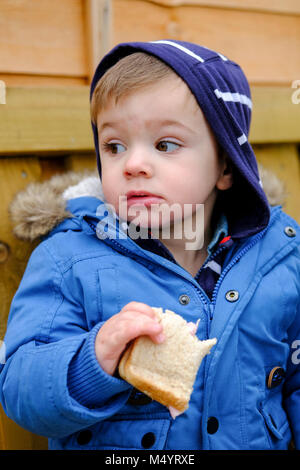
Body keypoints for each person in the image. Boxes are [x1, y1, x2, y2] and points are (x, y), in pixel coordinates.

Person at [0, 40, 299, 451]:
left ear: (226, 163)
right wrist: (94, 360)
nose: (132, 164)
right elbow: (20, 390)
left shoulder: (280, 258)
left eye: (164, 145)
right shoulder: (68, 258)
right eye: (114, 146)